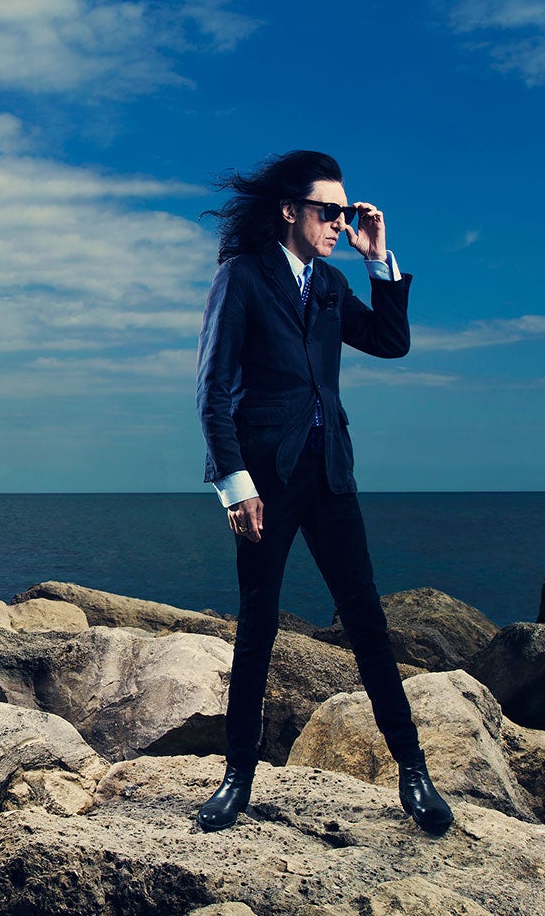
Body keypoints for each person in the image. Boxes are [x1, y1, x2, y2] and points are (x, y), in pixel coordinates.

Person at [191, 149, 452, 835]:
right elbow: (211, 391)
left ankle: (414, 774)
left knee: (367, 621)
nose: (339, 222)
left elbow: (392, 342)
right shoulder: (241, 278)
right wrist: (235, 485)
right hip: (265, 481)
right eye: (328, 212)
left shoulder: (333, 286)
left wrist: (377, 258)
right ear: (290, 210)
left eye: (345, 212)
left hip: (331, 471)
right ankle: (236, 777)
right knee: (258, 625)